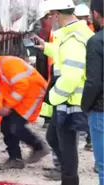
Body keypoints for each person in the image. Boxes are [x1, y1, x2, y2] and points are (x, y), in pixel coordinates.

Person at [33, 0, 94, 184]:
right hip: (69, 100)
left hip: (70, 101)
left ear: (57, 14)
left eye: (50, 16)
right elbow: (65, 54)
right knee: (55, 138)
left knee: (66, 145)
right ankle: (69, 173)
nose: (49, 20)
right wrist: (47, 47)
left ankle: (69, 179)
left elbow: (72, 75)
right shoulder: (73, 34)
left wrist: (53, 97)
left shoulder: (72, 38)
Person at [0, 45, 49, 169]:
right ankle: (15, 158)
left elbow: (21, 85)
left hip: (34, 93)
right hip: (24, 94)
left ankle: (39, 147)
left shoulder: (6, 65)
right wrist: (5, 105)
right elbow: (9, 89)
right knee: (6, 127)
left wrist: (8, 106)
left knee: (16, 126)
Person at [81, 0, 104, 184]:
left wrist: (85, 106)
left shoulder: (96, 41)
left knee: (103, 166)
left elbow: (93, 82)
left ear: (96, 13)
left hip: (100, 110)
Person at [30, 2, 55, 129]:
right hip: (44, 53)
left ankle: (48, 118)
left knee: (49, 86)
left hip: (51, 57)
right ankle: (46, 117)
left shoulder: (58, 26)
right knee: (43, 84)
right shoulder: (41, 21)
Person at [75, 3, 96, 151]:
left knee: (87, 114)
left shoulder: (91, 34)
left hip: (85, 78)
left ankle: (91, 141)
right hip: (85, 76)